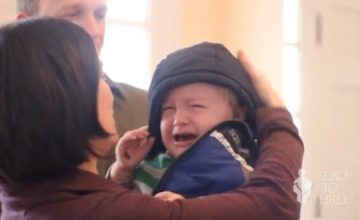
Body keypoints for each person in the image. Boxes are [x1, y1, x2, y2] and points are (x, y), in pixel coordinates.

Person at [0, 17, 303, 220]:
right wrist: (276, 113)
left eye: (196, 105)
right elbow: (274, 204)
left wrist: (119, 175)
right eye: (98, 77)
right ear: (64, 101)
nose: (109, 90)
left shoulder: (24, 199)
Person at [110, 42, 262, 198]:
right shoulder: (149, 168)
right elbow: (115, 208)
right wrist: (123, 171)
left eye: (196, 106)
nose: (179, 119)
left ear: (237, 114)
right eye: (168, 109)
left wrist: (187, 211)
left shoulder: (248, 169)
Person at [16, 0, 148, 176]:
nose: (94, 31)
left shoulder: (147, 108)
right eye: (73, 14)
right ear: (25, 24)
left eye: (99, 15)